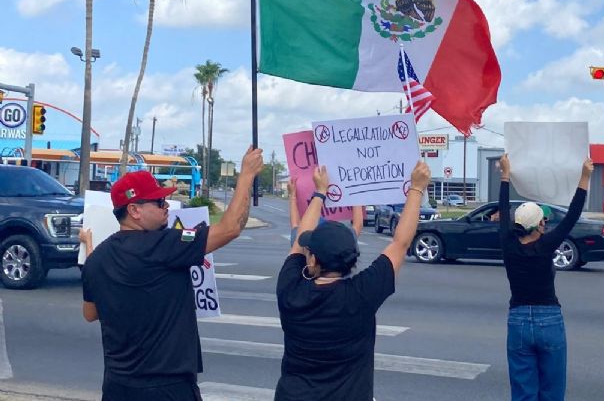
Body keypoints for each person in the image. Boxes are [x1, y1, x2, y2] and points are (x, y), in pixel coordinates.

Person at [79, 146, 263, 400]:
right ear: (134, 210)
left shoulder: (96, 259)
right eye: (159, 202)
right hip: (167, 386)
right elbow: (230, 229)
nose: (166, 206)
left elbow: (91, 313)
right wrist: (246, 177)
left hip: (117, 387)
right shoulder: (164, 244)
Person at [274, 161, 431, 401]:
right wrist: (417, 188)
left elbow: (297, 243)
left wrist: (320, 193)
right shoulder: (362, 294)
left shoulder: (290, 288)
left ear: (313, 259)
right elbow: (400, 243)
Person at [497, 153, 593, 401]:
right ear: (539, 225)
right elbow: (572, 215)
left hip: (517, 319)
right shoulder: (546, 244)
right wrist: (584, 177)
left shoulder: (508, 243)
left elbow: (503, 208)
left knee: (522, 392)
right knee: (552, 391)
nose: (547, 224)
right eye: (544, 220)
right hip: (549, 319)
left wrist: (505, 176)